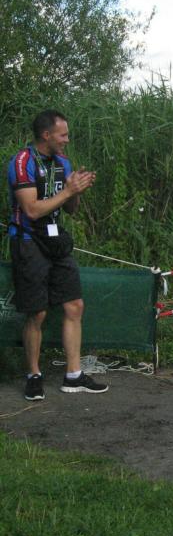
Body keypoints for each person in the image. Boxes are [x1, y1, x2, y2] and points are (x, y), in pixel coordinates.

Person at [7, 110, 105, 400]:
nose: (67, 140)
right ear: (46, 135)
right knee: (37, 312)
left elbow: (70, 210)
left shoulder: (63, 163)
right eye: (63, 135)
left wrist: (77, 190)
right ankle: (33, 375)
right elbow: (31, 210)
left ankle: (73, 375)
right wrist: (68, 191)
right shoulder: (22, 161)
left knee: (74, 306)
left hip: (55, 240)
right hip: (28, 240)